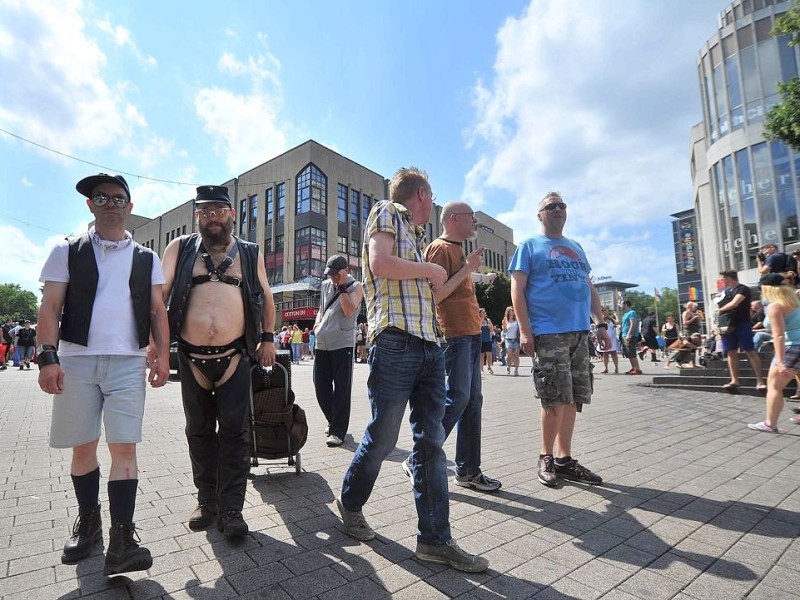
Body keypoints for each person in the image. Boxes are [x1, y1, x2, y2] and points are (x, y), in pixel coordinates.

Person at [337, 167, 488, 573]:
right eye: (432, 194)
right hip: (396, 342)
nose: (434, 202)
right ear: (422, 193)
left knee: (431, 444)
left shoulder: (419, 240)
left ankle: (435, 539)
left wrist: (446, 273)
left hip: (429, 346)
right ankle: (350, 502)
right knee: (383, 436)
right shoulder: (387, 210)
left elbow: (435, 288)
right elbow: (379, 262)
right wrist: (428, 270)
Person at [37, 173, 170, 575]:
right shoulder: (67, 250)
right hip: (76, 360)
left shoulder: (147, 258)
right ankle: (89, 522)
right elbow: (50, 306)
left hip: (128, 362)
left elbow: (156, 310)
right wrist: (47, 357)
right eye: (102, 197)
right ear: (90, 205)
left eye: (118, 198)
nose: (110, 203)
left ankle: (123, 539)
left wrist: (161, 354)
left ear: (129, 208)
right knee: (83, 447)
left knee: (124, 447)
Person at [162, 185, 276, 539]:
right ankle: (206, 500)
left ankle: (232, 508)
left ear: (231, 214)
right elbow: (159, 297)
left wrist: (269, 338)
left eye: (218, 211)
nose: (212, 218)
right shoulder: (178, 249)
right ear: (197, 216)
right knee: (198, 432)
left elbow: (267, 296)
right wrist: (155, 345)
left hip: (234, 357)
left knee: (236, 433)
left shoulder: (249, 251)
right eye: (204, 212)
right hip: (191, 357)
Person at [509, 191, 610, 488]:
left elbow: (588, 286)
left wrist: (600, 323)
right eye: (550, 206)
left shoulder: (576, 247)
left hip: (579, 332)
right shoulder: (529, 245)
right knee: (553, 396)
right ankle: (546, 456)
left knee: (574, 397)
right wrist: (526, 330)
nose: (557, 210)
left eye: (561, 206)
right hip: (548, 331)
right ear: (539, 214)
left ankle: (565, 460)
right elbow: (517, 290)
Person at [402, 200, 501, 492]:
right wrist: (467, 268)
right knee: (457, 398)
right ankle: (418, 459)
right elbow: (434, 296)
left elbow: (459, 284)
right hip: (454, 335)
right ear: (455, 219)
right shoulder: (440, 249)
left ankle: (469, 470)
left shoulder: (457, 251)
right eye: (472, 218)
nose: (475, 224)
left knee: (471, 402)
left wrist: (475, 273)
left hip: (470, 333)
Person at [313, 254, 364, 447]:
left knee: (342, 389)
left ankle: (338, 431)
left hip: (342, 343)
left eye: (336, 274)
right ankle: (333, 420)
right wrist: (317, 325)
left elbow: (349, 310)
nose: (332, 278)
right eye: (330, 274)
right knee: (321, 388)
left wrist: (342, 287)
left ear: (345, 272)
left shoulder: (356, 286)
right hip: (322, 342)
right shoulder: (326, 285)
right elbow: (320, 309)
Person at [748, 273, 800, 432]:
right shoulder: (795, 301)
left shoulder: (776, 306)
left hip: (793, 346)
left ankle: (770, 424)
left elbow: (778, 335)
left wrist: (780, 361)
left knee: (774, 386)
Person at [716, 270, 766, 391]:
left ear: (729, 278)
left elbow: (735, 303)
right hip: (727, 324)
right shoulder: (725, 292)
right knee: (731, 352)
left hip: (742, 323)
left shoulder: (743, 289)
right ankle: (734, 380)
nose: (722, 281)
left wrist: (719, 311)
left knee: (750, 350)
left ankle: (760, 381)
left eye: (723, 278)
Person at [620, 300, 642, 374]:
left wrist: (629, 334)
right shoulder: (625, 314)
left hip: (630, 335)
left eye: (621, 304)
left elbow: (633, 324)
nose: (620, 306)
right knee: (628, 353)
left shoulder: (632, 313)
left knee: (631, 352)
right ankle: (633, 368)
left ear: (625, 304)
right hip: (624, 334)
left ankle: (637, 369)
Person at [598, 307, 620, 374]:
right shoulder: (600, 319)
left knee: (614, 353)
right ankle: (606, 368)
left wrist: (615, 315)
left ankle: (616, 368)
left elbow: (617, 322)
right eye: (604, 311)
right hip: (604, 338)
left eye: (607, 311)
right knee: (605, 354)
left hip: (612, 338)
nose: (606, 312)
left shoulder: (611, 319)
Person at [502, 306, 521, 377]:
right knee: (509, 355)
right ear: (508, 312)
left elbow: (520, 329)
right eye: (511, 310)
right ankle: (508, 366)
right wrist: (502, 338)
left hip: (516, 339)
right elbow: (504, 331)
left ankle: (516, 370)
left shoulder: (517, 320)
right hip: (508, 339)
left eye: (513, 310)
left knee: (516, 355)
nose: (513, 311)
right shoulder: (505, 320)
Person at [479, 308, 494, 375]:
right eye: (483, 312)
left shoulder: (488, 320)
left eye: (484, 312)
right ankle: (481, 369)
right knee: (481, 355)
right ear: (480, 313)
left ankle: (489, 367)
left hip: (487, 339)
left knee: (489, 354)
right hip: (480, 339)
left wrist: (490, 335)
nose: (484, 313)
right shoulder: (478, 320)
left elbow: (491, 328)